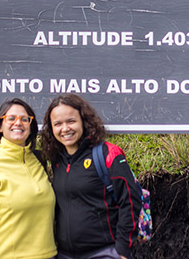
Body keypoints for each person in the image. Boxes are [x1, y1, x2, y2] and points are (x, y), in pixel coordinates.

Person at [41, 94, 142, 259]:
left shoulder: (107, 153)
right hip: (64, 254)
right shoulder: (56, 159)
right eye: (58, 124)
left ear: (84, 121)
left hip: (104, 252)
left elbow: (131, 201)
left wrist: (123, 250)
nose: (65, 128)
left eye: (71, 121)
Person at [0, 98, 57, 259]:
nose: (18, 123)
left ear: (31, 127)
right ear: (0, 126)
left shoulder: (39, 161)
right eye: (11, 118)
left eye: (25, 119)